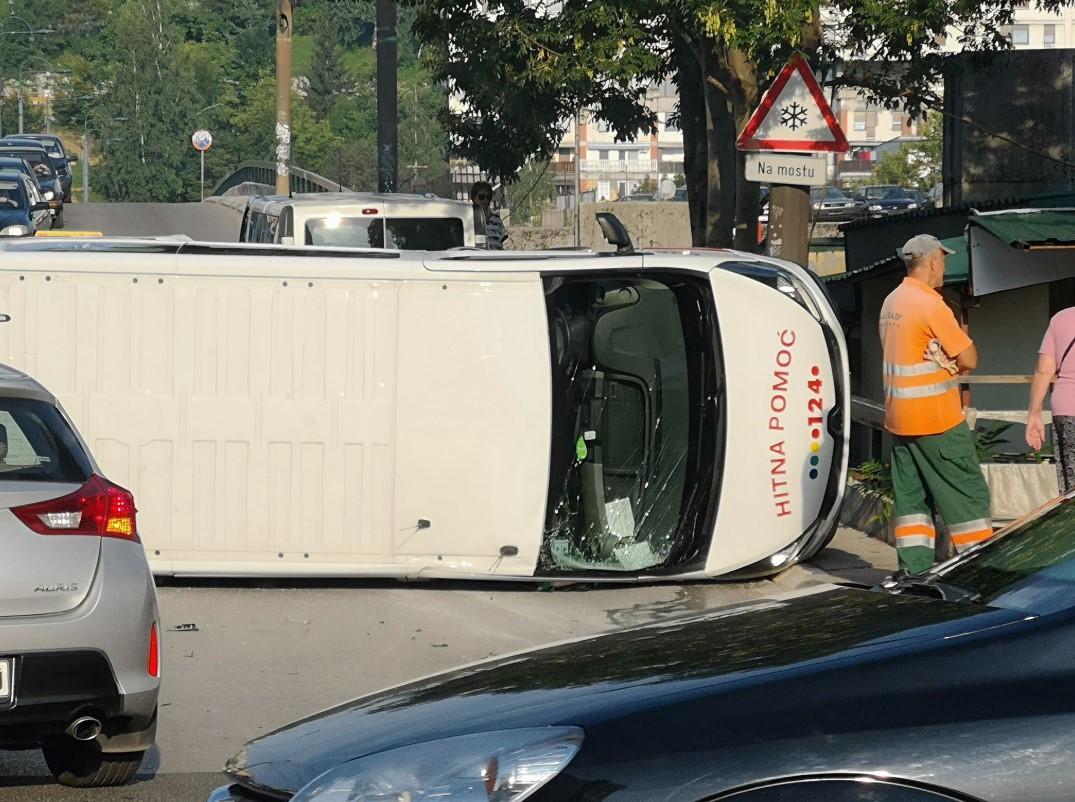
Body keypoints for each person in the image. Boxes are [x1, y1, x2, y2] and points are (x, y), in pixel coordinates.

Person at [880, 234, 993, 574]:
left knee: (913, 502)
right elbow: (970, 357)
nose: (944, 267)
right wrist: (948, 359)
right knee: (967, 496)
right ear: (931, 262)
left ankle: (913, 573)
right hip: (938, 421)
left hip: (900, 421)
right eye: (942, 260)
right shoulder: (931, 304)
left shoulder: (891, 302)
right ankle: (978, 573)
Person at [1026, 306, 1075, 493]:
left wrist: (1034, 414)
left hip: (1067, 409)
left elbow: (1044, 370)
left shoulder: (1061, 318)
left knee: (1072, 485)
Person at [470, 181, 506, 250]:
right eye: (481, 197)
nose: (485, 200)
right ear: (473, 198)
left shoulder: (496, 220)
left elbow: (502, 242)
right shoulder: (469, 221)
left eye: (488, 197)